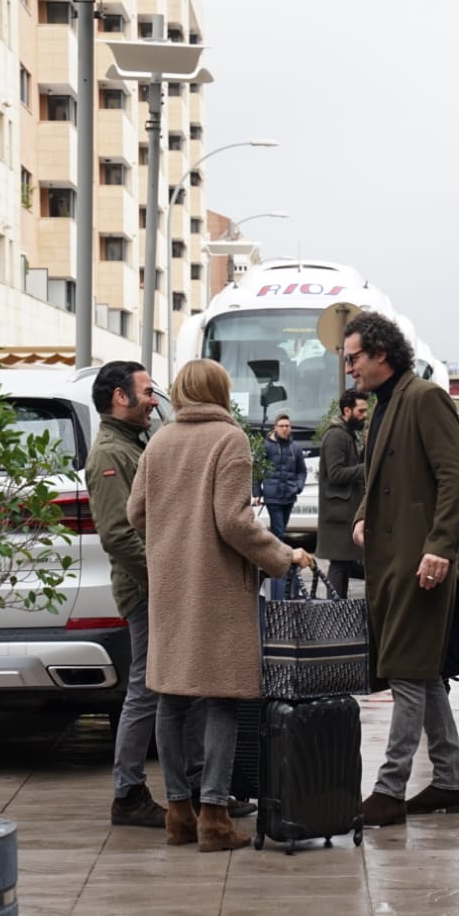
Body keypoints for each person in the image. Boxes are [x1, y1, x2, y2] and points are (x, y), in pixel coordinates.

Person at [126, 360, 313, 852]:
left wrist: (170, 536)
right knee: (223, 698)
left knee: (171, 696)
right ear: (221, 391)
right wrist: (283, 555)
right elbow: (232, 523)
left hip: (170, 584)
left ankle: (178, 815)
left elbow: (135, 511)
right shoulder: (228, 441)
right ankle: (214, 816)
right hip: (216, 586)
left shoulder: (161, 441)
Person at [344, 311, 459, 827]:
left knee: (406, 673)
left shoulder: (425, 398)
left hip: (420, 563)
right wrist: (363, 515)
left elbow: (455, 479)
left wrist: (440, 547)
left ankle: (389, 789)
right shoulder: (384, 404)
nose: (349, 369)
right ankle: (449, 782)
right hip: (392, 562)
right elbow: (380, 477)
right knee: (423, 678)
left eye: (354, 357)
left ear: (381, 353)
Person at [85, 360, 172, 829]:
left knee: (167, 689)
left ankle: (195, 791)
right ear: (121, 396)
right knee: (145, 689)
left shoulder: (132, 445)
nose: (153, 400)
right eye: (146, 391)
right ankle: (128, 793)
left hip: (153, 584)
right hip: (144, 590)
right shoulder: (108, 455)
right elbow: (119, 536)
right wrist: (164, 580)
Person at [317, 391, 368, 598]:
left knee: (344, 565)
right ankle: (335, 612)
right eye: (361, 410)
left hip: (343, 513)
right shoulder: (336, 436)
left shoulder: (346, 434)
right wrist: (366, 468)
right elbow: (335, 474)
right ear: (347, 411)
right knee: (339, 565)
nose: (365, 414)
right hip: (339, 515)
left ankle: (338, 611)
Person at [258, 412, 308, 598]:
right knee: (278, 530)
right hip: (273, 496)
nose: (285, 428)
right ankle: (281, 563)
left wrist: (298, 487)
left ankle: (281, 561)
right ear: (275, 427)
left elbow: (301, 471)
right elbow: (257, 469)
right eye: (282, 426)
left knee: (282, 529)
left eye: (288, 425)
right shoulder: (267, 446)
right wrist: (258, 492)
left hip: (289, 496)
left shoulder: (295, 447)